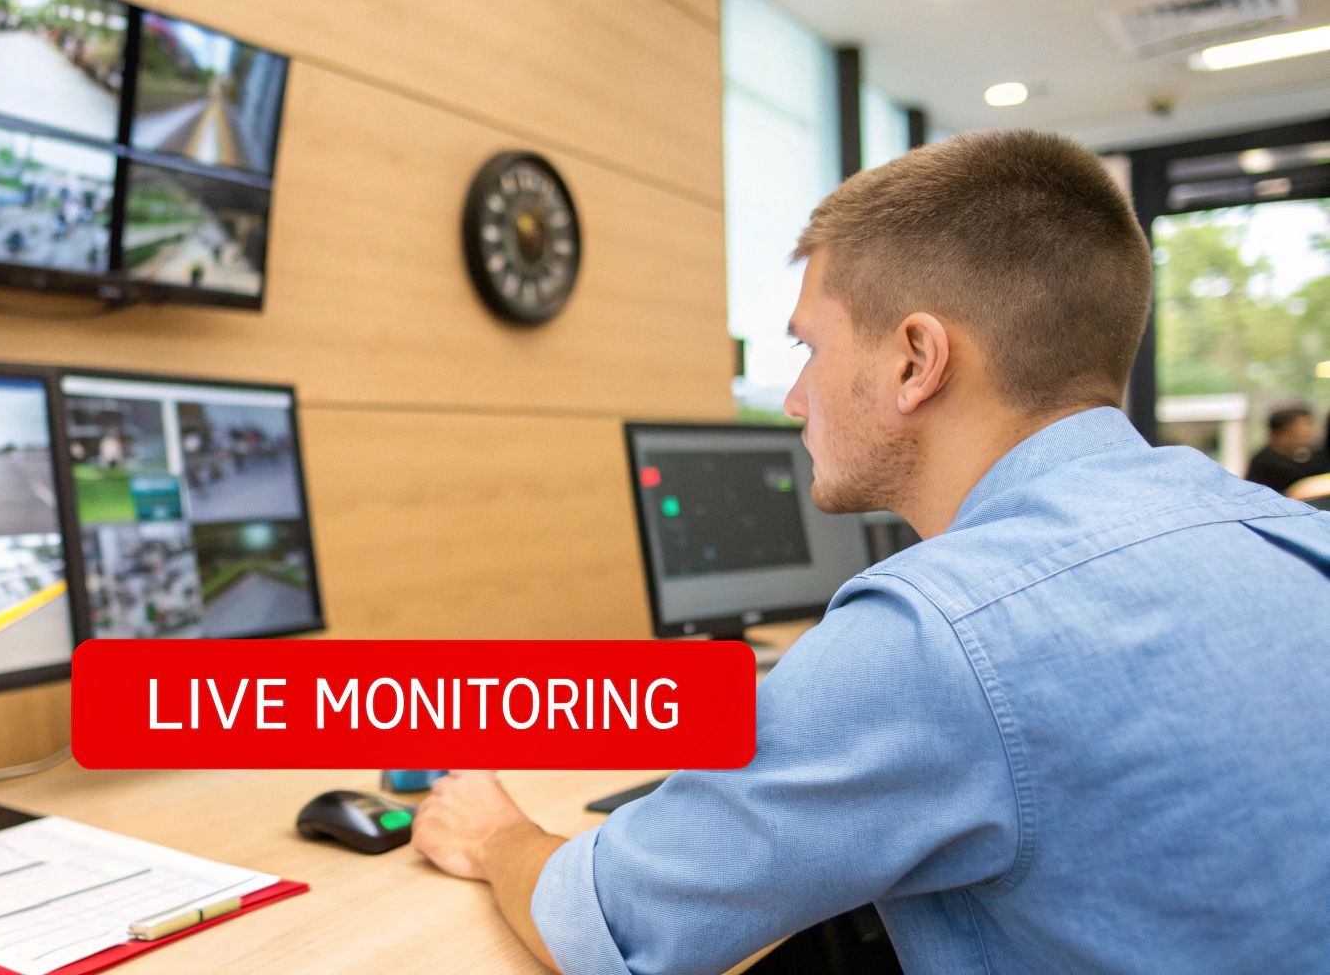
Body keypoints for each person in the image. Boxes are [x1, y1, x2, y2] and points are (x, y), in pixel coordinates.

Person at [411, 130, 1330, 974]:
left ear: (915, 360)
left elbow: (612, 926)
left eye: (809, 348)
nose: (794, 400)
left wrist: (492, 833)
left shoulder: (939, 633)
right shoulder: (1294, 536)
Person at [1245, 406, 1321, 495]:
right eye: (1304, 425)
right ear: (1284, 430)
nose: (1308, 430)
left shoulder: (1306, 455)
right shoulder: (1267, 462)